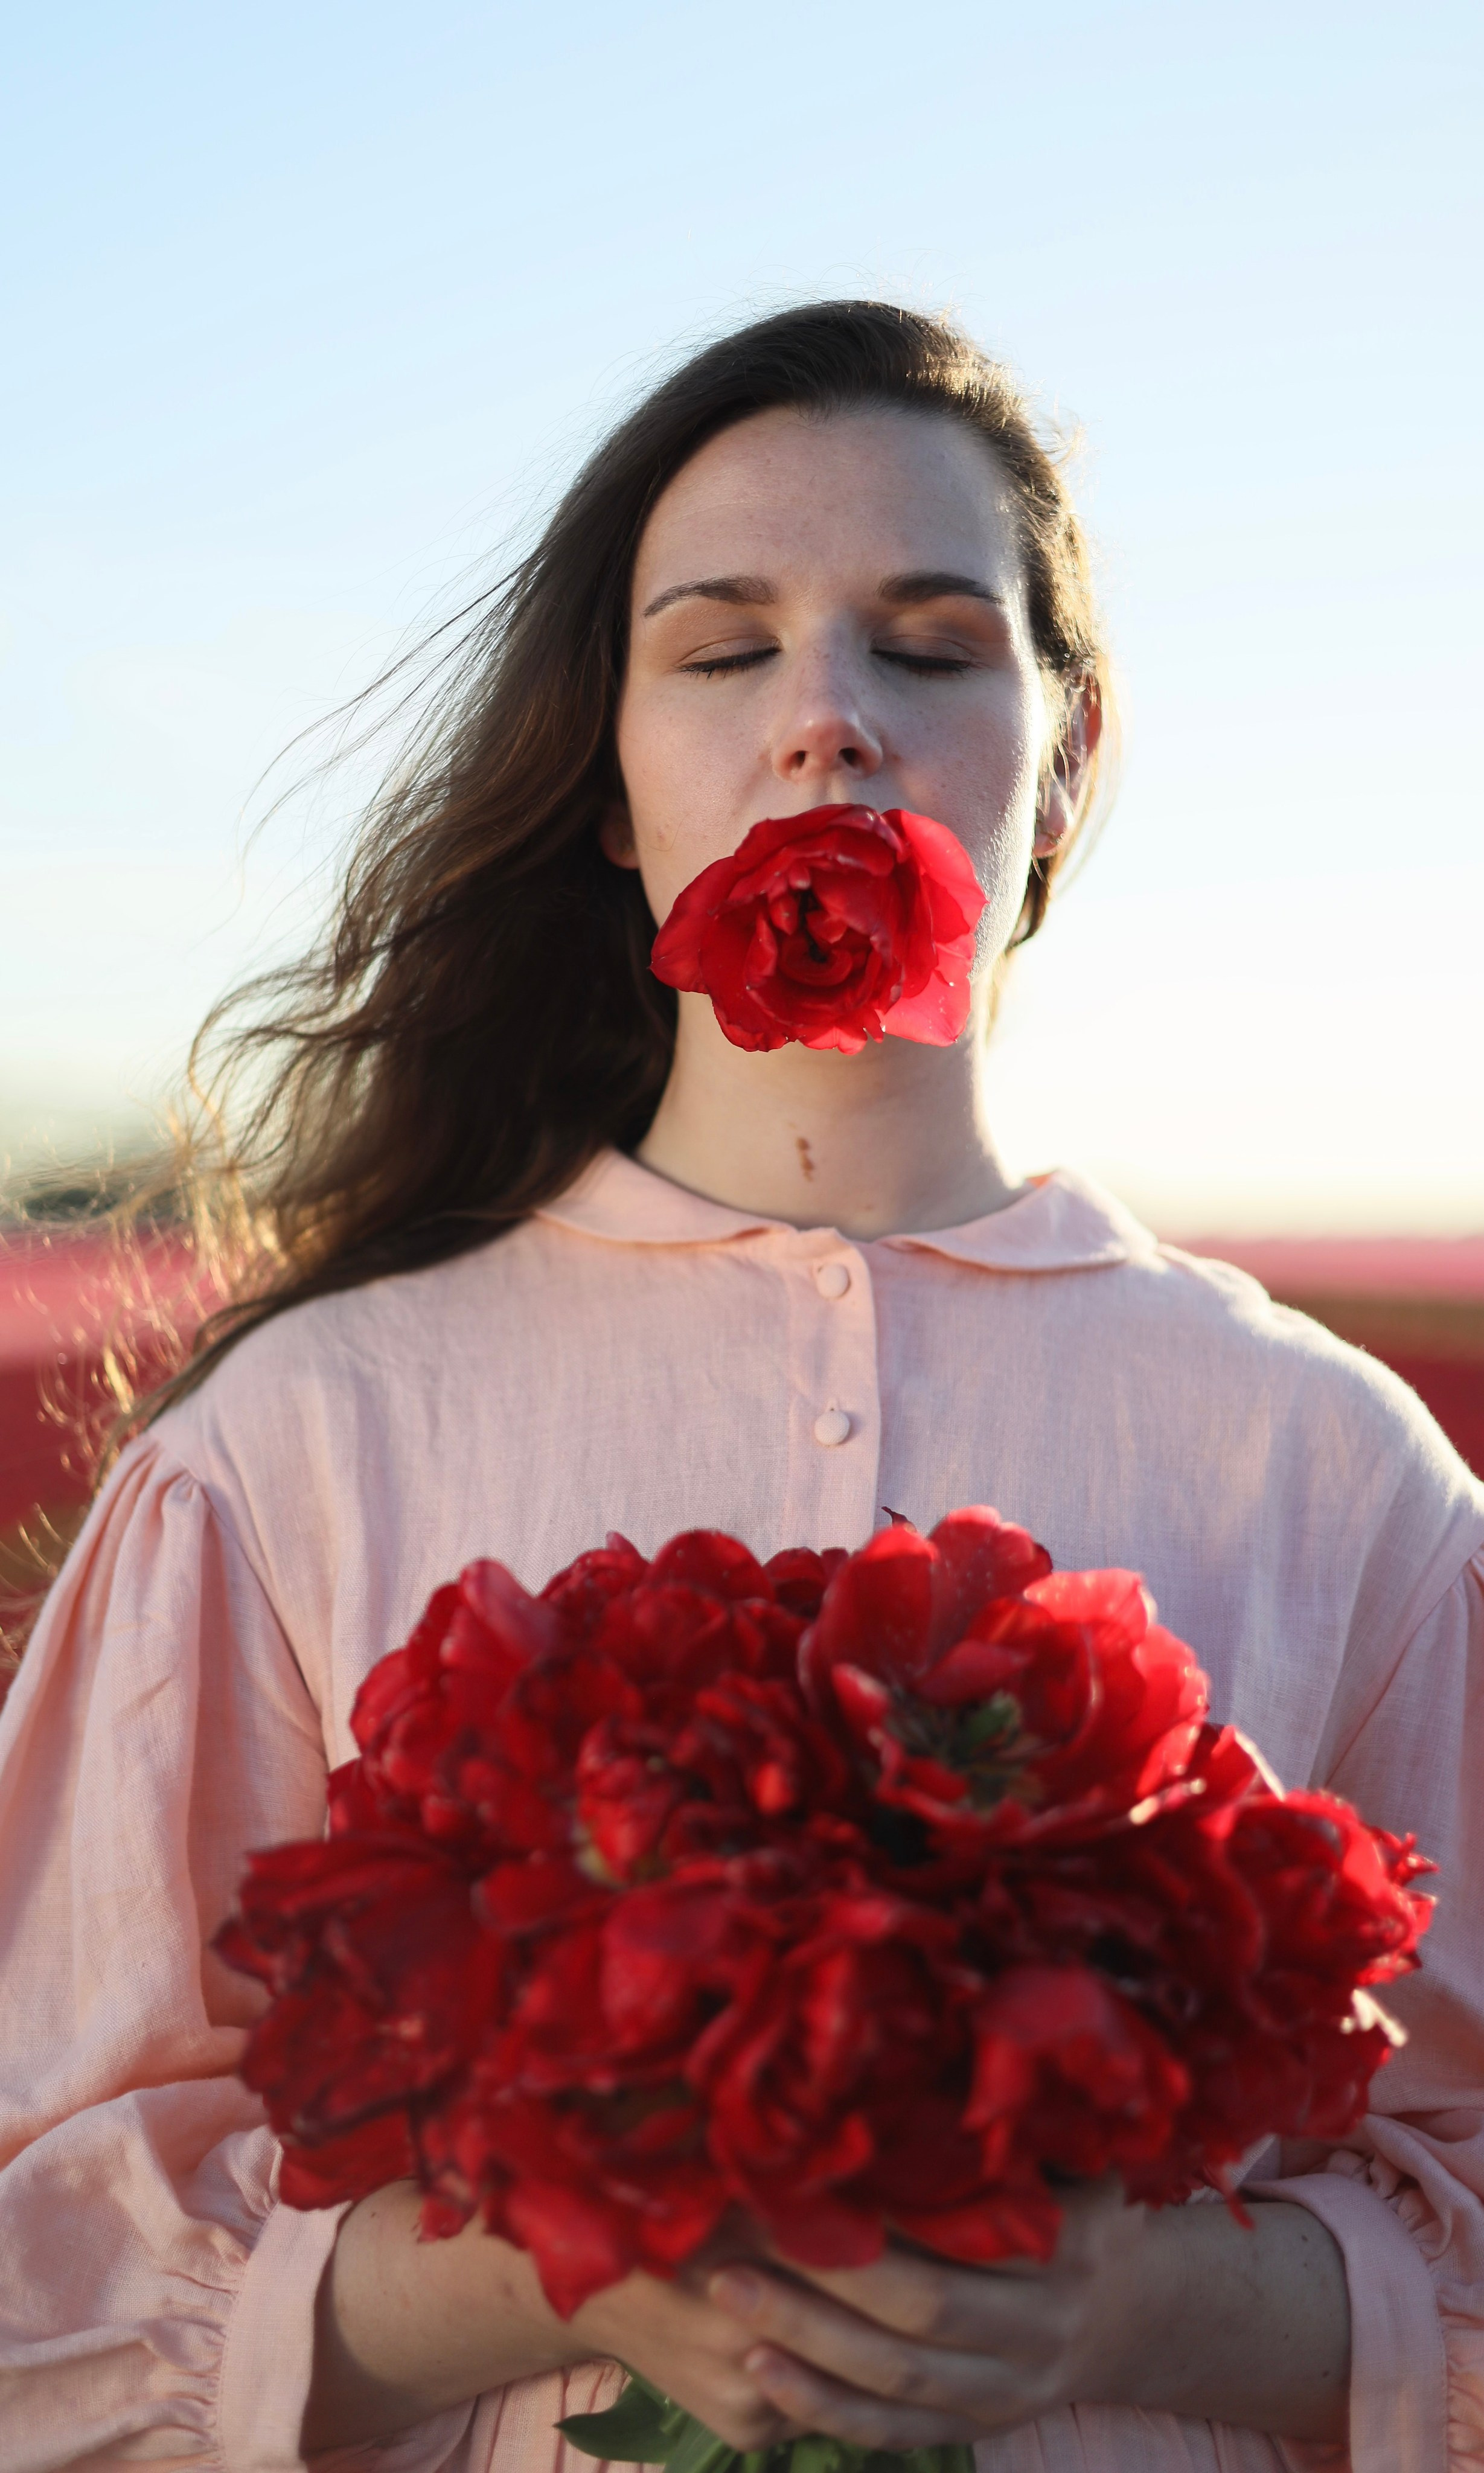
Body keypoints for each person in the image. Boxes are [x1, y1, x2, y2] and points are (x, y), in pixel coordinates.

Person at [0, 300, 1480, 2473]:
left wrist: (1158, 2298)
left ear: (1065, 757)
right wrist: (532, 2262)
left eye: (928, 642)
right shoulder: (293, 1442)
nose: (825, 723)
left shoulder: (1332, 1463)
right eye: (719, 651)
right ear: (610, 789)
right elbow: (39, 2260)